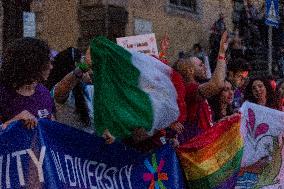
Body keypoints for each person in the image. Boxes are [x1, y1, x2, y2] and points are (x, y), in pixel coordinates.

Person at [176, 31, 229, 137]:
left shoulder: (196, 86)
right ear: (190, 70)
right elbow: (217, 84)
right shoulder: (189, 89)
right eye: (200, 65)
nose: (205, 67)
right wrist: (222, 53)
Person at [0, 37, 55, 129]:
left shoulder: (44, 92)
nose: (51, 67)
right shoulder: (3, 92)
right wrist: (13, 121)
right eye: (47, 62)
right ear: (32, 64)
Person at [46, 47, 94, 133]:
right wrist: (83, 67)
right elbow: (62, 90)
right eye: (82, 61)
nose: (90, 72)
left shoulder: (89, 89)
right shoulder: (64, 91)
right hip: (69, 144)